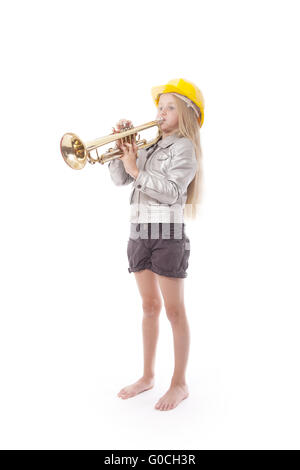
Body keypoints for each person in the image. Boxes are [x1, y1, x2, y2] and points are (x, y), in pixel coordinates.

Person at [108, 78, 205, 411]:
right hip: (138, 232)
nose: (161, 113)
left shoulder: (185, 148)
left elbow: (173, 192)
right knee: (149, 308)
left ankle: (179, 384)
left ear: (187, 114)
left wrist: (136, 168)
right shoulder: (148, 146)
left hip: (167, 236)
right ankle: (147, 375)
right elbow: (120, 179)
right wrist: (124, 147)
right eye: (159, 107)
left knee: (174, 311)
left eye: (169, 107)